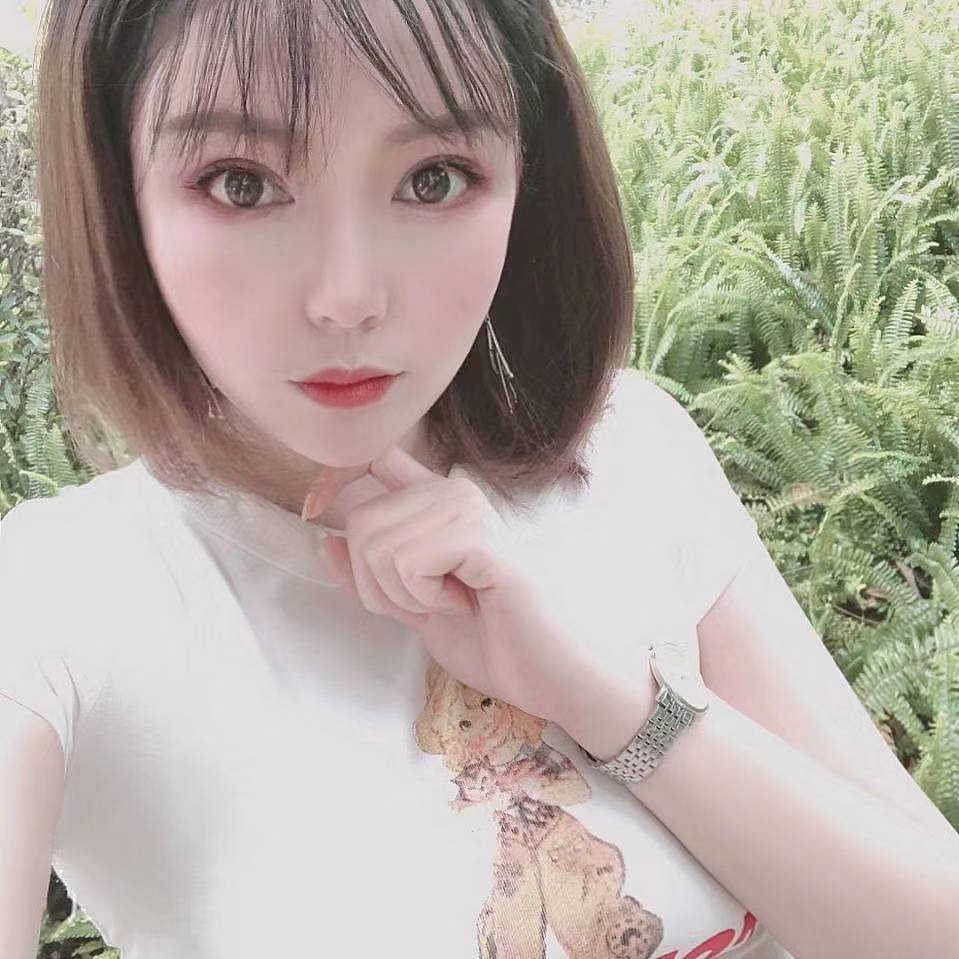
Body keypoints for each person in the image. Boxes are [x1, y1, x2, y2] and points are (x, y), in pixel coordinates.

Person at [0, 1, 792, 957]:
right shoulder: (62, 597)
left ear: (527, 174)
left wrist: (608, 701)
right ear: (118, 194)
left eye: (432, 178)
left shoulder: (628, 451)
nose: (348, 297)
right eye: (241, 184)